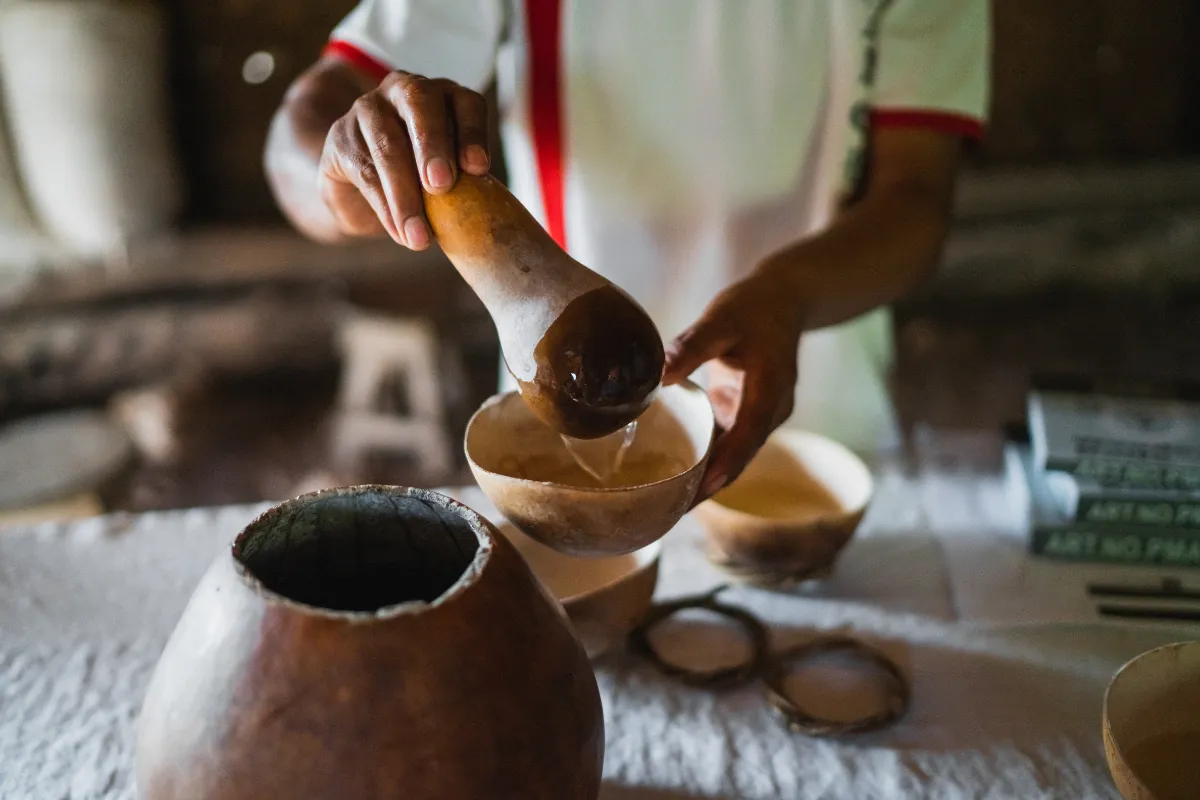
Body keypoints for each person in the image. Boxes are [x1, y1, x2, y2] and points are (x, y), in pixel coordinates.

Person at [265, 0, 990, 502]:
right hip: (556, 443)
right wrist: (340, 174)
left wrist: (788, 294)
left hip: (813, 430)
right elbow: (296, 136)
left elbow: (916, 202)